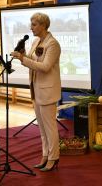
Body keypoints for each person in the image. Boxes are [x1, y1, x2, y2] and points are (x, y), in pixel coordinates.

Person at [11, 12, 61, 172]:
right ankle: (45, 155)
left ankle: (54, 158)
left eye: (33, 25)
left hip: (47, 92)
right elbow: (33, 60)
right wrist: (24, 55)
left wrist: (23, 59)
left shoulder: (53, 44)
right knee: (42, 128)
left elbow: (45, 67)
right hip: (35, 89)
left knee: (50, 127)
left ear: (43, 25)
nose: (30, 27)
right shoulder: (35, 41)